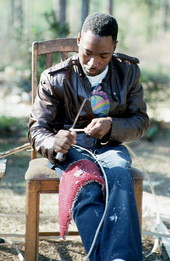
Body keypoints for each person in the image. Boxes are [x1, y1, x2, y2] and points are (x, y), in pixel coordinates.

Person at [28, 12, 149, 261]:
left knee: (118, 171)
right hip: (72, 151)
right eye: (88, 52)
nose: (94, 62)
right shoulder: (55, 78)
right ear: (79, 40)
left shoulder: (128, 72)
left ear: (114, 47)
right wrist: (53, 142)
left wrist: (112, 126)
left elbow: (140, 121)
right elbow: (37, 129)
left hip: (110, 147)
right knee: (85, 185)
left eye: (104, 55)